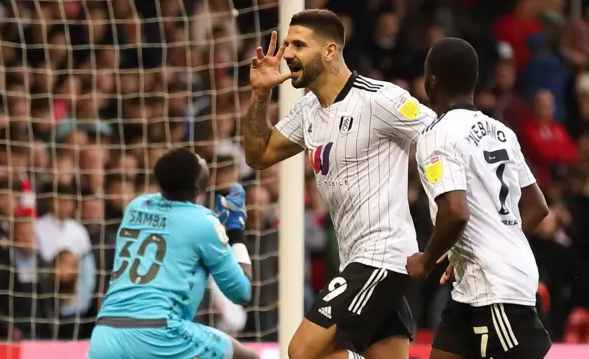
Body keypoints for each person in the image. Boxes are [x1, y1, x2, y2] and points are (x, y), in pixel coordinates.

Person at [242, 9, 435, 359]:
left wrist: (449, 209)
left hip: (382, 257)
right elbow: (259, 155)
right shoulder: (307, 111)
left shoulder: (380, 99)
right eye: (286, 44)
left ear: (330, 51)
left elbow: (440, 135)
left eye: (298, 44)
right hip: (355, 259)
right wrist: (259, 94)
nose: (286, 54)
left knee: (302, 352)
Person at [405, 37, 552, 359]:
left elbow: (455, 211)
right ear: (474, 82)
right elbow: (537, 207)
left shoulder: (436, 134)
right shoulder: (501, 131)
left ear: (431, 82)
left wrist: (426, 260)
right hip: (474, 285)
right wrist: (480, 245)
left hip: (496, 289)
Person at [87, 148, 258, 359]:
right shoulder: (204, 224)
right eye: (201, 162)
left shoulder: (136, 206)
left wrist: (214, 224)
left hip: (106, 332)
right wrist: (235, 232)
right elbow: (242, 293)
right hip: (160, 332)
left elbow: (175, 228)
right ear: (197, 185)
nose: (204, 160)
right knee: (247, 357)